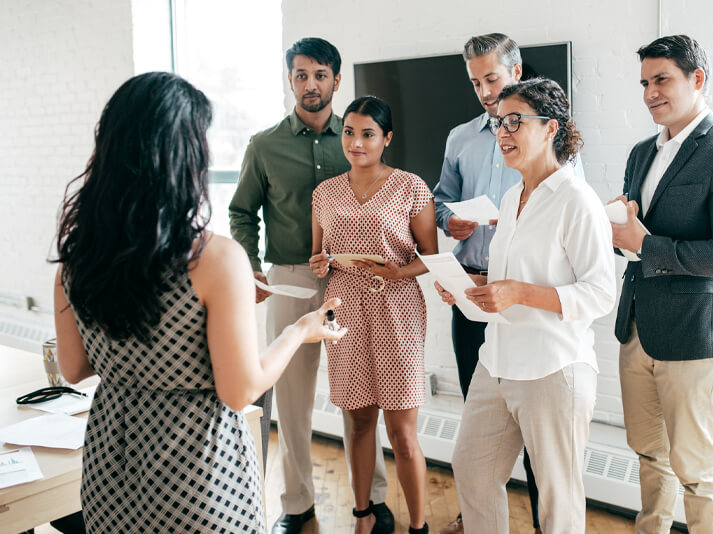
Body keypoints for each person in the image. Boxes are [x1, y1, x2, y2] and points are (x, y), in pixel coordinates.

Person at [52, 71, 346, 533]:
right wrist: (299, 331)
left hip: (111, 473)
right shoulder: (214, 259)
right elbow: (240, 390)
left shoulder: (77, 256)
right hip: (196, 477)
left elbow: (73, 367)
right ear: (183, 155)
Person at [228, 37, 394, 534]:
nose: (310, 85)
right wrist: (252, 267)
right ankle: (297, 504)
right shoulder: (264, 145)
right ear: (290, 80)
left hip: (352, 278)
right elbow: (241, 212)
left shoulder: (357, 138)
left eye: (320, 75)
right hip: (291, 280)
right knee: (293, 399)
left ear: (336, 80)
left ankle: (374, 497)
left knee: (360, 394)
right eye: (300, 75)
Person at [436, 78, 616, 533]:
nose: (503, 132)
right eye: (499, 123)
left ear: (551, 128)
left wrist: (518, 293)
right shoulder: (512, 197)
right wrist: (468, 285)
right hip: (496, 362)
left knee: (557, 503)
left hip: (553, 369)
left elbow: (600, 293)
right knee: (472, 470)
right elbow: (508, 278)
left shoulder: (578, 201)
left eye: (515, 121)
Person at [610, 35, 713, 534]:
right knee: (649, 456)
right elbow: (634, 237)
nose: (650, 92)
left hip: (697, 336)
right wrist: (618, 233)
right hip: (637, 329)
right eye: (644, 83)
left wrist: (646, 242)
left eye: (661, 80)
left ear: (697, 80)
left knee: (697, 472)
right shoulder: (640, 153)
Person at [309, 95, 437, 534]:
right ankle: (362, 516)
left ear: (387, 138)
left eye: (367, 134)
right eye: (349, 132)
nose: (356, 143)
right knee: (358, 419)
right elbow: (317, 255)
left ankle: (417, 526)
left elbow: (432, 257)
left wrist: (400, 269)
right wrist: (321, 264)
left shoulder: (411, 187)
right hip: (343, 306)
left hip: (396, 307)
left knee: (402, 431)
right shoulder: (324, 192)